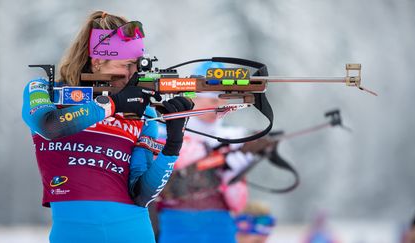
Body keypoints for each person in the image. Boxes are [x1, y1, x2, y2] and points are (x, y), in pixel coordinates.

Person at [22, 10, 192, 242]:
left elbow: (142, 193)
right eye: (127, 65)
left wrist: (172, 146)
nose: (134, 75)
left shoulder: (144, 114)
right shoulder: (45, 91)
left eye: (138, 66)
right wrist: (113, 104)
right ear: (99, 60)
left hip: (133, 233)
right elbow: (50, 126)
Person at [155, 86, 275, 242]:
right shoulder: (162, 133)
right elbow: (158, 190)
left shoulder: (234, 138)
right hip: (175, 225)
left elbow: (237, 204)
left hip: (220, 228)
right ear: (193, 98)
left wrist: (232, 174)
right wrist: (212, 164)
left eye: (224, 100)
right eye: (213, 100)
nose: (220, 105)